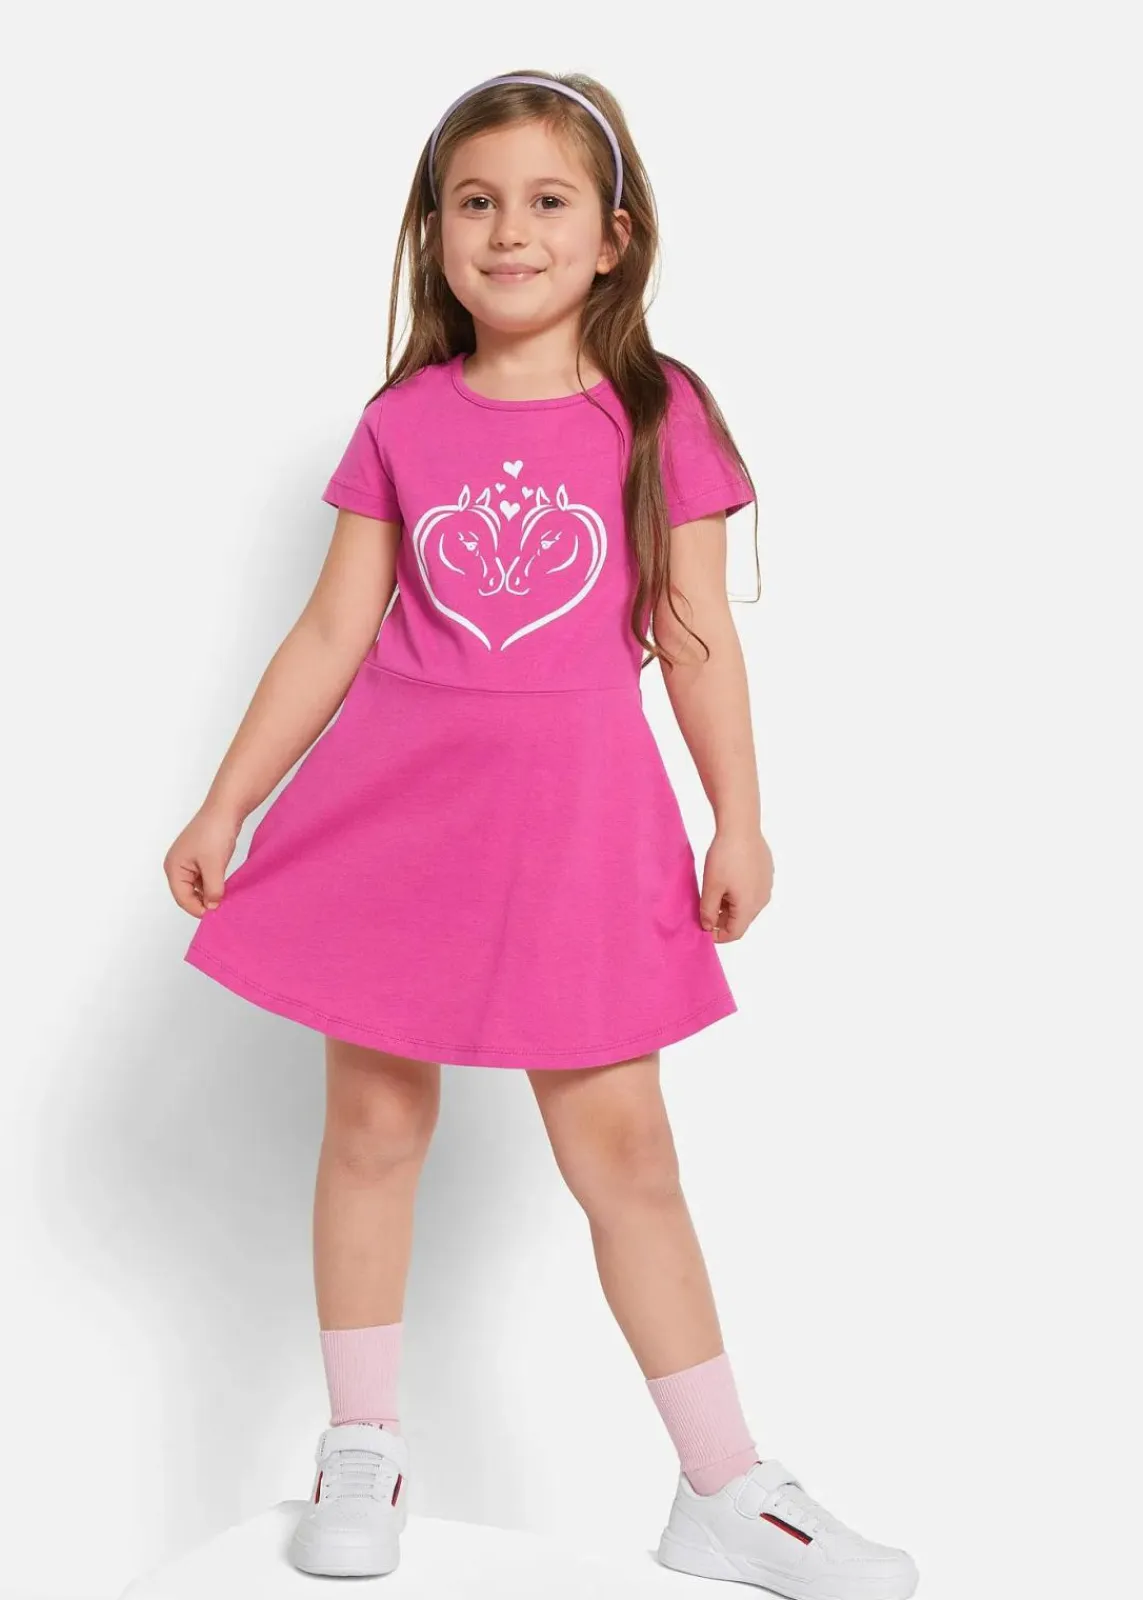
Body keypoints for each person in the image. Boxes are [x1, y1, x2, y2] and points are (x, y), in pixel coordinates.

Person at [163, 69, 918, 1597]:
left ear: (612, 236)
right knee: (374, 1129)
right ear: (433, 232)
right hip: (392, 830)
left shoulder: (657, 414)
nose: (509, 231)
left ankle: (723, 1484)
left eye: (546, 200)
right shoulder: (402, 420)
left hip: (580, 837)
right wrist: (228, 797)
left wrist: (740, 817)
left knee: (626, 1151)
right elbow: (332, 630)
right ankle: (360, 1444)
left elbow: (693, 635)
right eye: (476, 202)